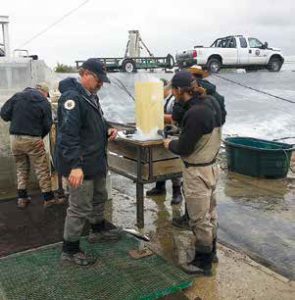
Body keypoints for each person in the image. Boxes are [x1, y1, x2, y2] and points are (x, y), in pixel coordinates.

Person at [55, 58, 120, 266]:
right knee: (79, 207)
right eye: (98, 79)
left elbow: (97, 119)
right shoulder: (72, 99)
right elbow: (67, 135)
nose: (100, 83)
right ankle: (70, 249)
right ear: (85, 75)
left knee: (100, 196)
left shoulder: (91, 96)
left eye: (102, 80)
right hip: (81, 164)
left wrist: (108, 127)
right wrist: (75, 166)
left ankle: (97, 230)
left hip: (95, 161)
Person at [163, 71, 225, 276]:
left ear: (180, 90)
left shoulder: (196, 112)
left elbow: (185, 148)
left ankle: (202, 263)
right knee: (210, 214)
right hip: (212, 166)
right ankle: (211, 252)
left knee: (198, 219)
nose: (172, 93)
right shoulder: (211, 102)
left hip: (197, 171)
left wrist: (169, 143)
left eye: (173, 90)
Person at [0, 83, 64, 208]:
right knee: (41, 168)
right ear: (45, 92)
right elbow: (48, 123)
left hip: (14, 138)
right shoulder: (44, 101)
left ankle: (22, 198)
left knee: (21, 167)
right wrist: (39, 136)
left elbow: (4, 113)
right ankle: (48, 198)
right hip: (33, 139)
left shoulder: (17, 96)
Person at [146, 78, 183, 205]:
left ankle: (177, 192)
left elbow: (175, 118)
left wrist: (157, 115)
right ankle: (159, 186)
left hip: (174, 136)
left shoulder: (174, 101)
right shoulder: (162, 100)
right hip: (162, 135)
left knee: (173, 164)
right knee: (160, 161)